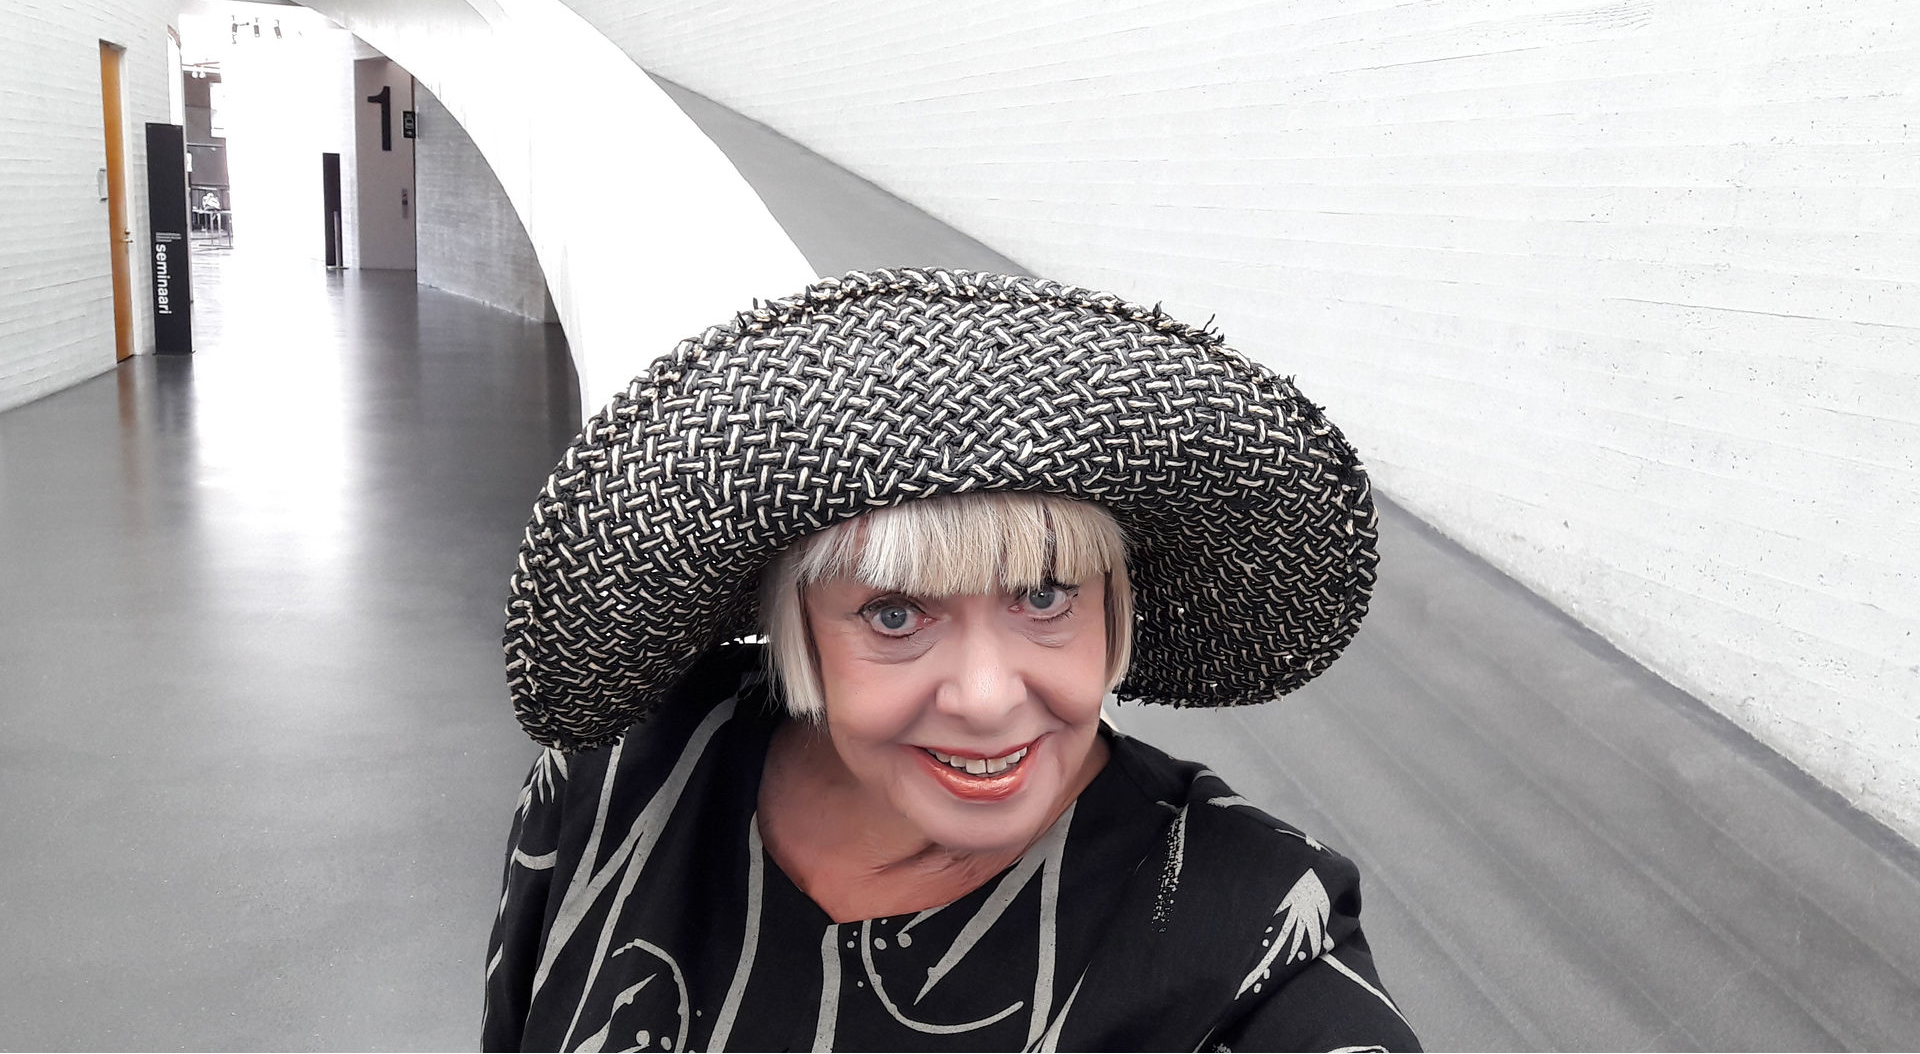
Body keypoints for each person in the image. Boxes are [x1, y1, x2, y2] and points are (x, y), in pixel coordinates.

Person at [484, 268, 1419, 1052]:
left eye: (1045, 597)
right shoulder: (618, 779)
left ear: (1112, 603)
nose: (985, 698)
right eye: (894, 614)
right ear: (799, 621)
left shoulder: (1258, 930)